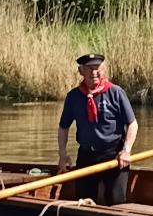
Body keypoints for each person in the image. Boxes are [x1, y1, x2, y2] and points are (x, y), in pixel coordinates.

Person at [57, 53, 138, 206]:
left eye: (98, 68)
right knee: (83, 203)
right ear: (81, 71)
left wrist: (126, 150)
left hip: (114, 156)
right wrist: (62, 154)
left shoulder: (116, 93)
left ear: (104, 69)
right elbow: (63, 127)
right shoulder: (74, 97)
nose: (94, 72)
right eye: (89, 68)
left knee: (116, 202)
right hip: (87, 156)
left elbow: (132, 124)